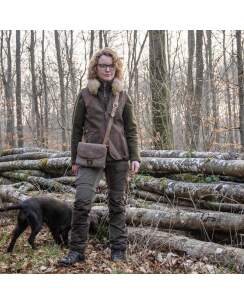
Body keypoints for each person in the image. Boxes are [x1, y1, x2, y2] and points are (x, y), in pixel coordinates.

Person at [58, 47, 140, 266]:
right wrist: (74, 159)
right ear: (96, 68)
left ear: (116, 68)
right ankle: (76, 251)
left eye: (111, 65)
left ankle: (119, 250)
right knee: (82, 201)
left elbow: (131, 130)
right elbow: (76, 130)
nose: (107, 69)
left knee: (117, 204)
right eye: (103, 65)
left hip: (119, 156)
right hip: (89, 156)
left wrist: (135, 157)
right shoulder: (84, 95)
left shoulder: (122, 96)